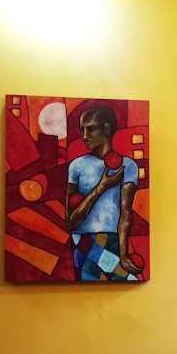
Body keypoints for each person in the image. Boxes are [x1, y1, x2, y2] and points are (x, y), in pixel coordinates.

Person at [65, 104, 140, 280]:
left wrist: (123, 254)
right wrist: (102, 186)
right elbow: (71, 221)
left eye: (91, 129)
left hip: (112, 240)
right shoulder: (76, 166)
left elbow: (126, 213)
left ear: (106, 128)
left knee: (126, 281)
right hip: (82, 241)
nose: (84, 136)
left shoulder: (128, 165)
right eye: (82, 130)